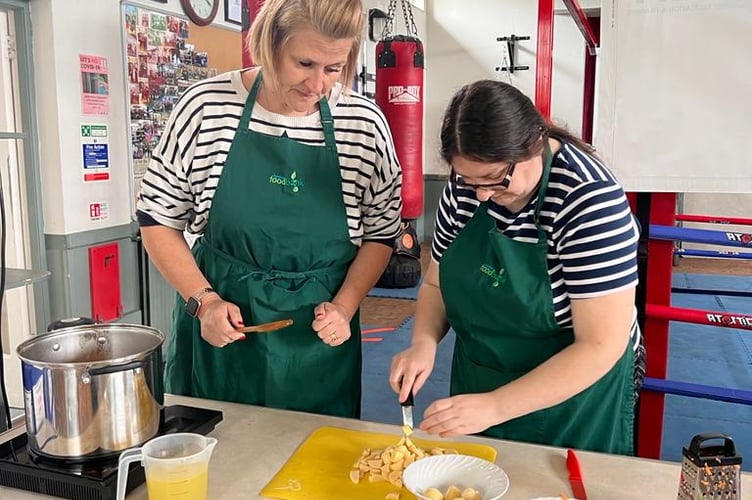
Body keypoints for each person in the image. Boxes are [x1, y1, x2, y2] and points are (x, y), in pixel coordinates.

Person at [137, 0, 402, 418]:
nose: (318, 85)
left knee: (316, 462)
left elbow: (381, 232)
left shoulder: (363, 124)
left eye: (334, 68)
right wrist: (203, 302)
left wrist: (347, 306)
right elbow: (157, 220)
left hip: (316, 335)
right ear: (269, 44)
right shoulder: (205, 107)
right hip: (222, 323)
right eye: (305, 63)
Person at [389, 80, 645, 455]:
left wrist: (496, 406)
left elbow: (601, 344)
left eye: (495, 180)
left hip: (575, 392)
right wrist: (423, 343)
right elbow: (437, 285)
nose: (482, 194)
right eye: (469, 180)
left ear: (533, 145)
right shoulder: (468, 188)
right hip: (484, 371)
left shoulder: (588, 200)